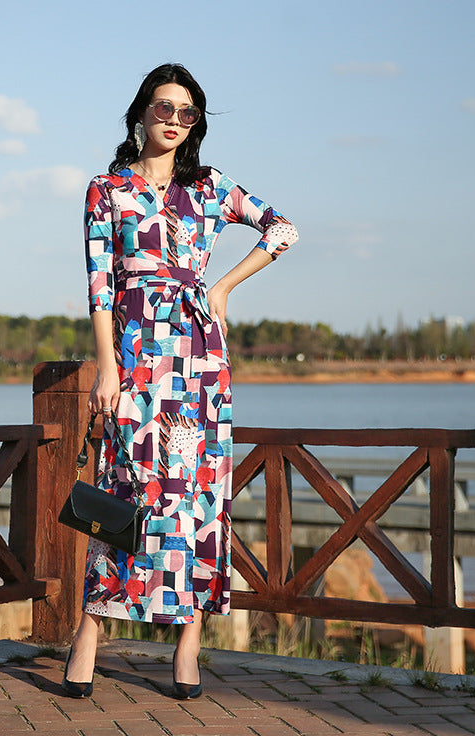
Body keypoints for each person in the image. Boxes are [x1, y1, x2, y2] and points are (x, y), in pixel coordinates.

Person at [63, 63, 298, 700]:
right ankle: (91, 628)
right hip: (135, 354)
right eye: (164, 108)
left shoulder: (211, 187)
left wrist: (221, 285)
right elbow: (99, 286)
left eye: (187, 113)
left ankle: (189, 641)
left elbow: (283, 230)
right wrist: (107, 365)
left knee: (194, 494)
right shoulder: (105, 190)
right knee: (126, 484)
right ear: (140, 113)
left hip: (199, 358)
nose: (174, 120)